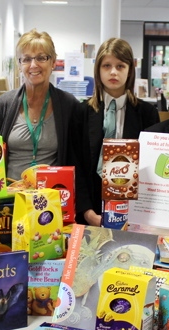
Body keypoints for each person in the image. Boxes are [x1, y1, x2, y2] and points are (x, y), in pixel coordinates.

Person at [71, 38, 159, 226]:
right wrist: (87, 212)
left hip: (132, 210)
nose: (113, 72)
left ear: (129, 71)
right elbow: (75, 163)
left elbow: (150, 168)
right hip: (89, 208)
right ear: (98, 70)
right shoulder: (82, 112)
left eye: (120, 66)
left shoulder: (147, 113)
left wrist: (135, 214)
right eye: (107, 66)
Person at [0, 28, 80, 181]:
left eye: (41, 58)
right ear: (19, 64)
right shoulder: (3, 105)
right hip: (10, 197)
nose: (33, 65)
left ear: (53, 62)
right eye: (27, 59)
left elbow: (78, 159)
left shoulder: (69, 106)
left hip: (53, 196)